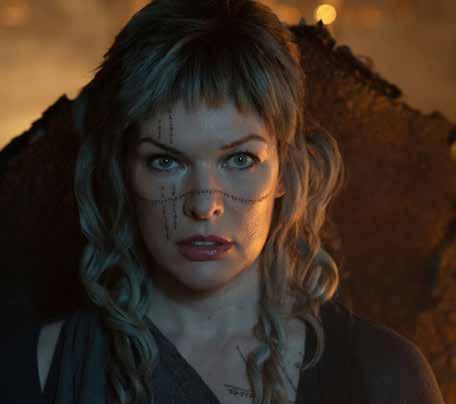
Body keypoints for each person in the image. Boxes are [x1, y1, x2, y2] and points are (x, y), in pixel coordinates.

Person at [0, 1, 446, 403]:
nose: (204, 205)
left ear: (285, 170)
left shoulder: (385, 375)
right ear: (122, 171)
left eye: (240, 159)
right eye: (166, 162)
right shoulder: (36, 370)